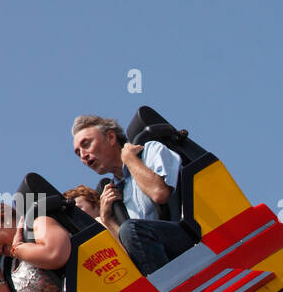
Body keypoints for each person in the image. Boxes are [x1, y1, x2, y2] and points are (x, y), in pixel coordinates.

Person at [71, 115, 193, 273]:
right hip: (158, 257)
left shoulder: (150, 150)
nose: (83, 155)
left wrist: (128, 158)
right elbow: (132, 252)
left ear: (110, 137)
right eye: (78, 153)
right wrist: (108, 220)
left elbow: (159, 193)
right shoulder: (114, 195)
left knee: (130, 228)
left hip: (188, 237)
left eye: (86, 144)